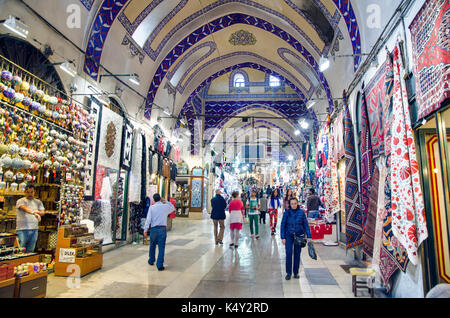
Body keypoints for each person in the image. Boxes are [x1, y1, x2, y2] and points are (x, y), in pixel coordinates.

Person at [280, 197, 312, 280]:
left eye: (295, 203)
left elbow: (305, 225)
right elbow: (283, 225)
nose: (294, 205)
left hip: (299, 236)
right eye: (292, 204)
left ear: (297, 203)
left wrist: (309, 236)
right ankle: (288, 273)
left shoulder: (301, 212)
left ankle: (296, 272)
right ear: (290, 205)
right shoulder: (287, 213)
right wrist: (283, 237)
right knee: (289, 253)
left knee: (297, 254)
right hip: (289, 235)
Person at [143, 193, 175, 271]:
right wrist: (166, 201)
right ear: (160, 198)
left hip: (153, 229)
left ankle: (151, 260)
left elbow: (148, 219)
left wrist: (145, 229)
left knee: (152, 245)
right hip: (162, 229)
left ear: (153, 200)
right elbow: (173, 208)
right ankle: (160, 265)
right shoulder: (165, 207)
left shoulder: (152, 207)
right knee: (161, 247)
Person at [15, 184, 45, 253]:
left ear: (34, 192)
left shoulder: (38, 202)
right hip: (22, 229)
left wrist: (38, 212)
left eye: (32, 192)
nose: (30, 194)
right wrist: (34, 213)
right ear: (25, 192)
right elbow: (25, 208)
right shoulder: (21, 201)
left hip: (34, 229)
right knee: (21, 250)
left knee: (31, 250)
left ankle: (27, 263)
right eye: (28, 192)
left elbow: (42, 212)